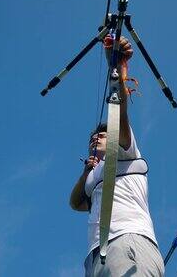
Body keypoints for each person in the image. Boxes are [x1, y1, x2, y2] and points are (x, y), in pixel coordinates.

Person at [69, 35, 164, 276]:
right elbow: (76, 202)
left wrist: (118, 69)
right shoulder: (94, 177)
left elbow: (118, 111)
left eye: (102, 135)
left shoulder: (123, 151)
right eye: (93, 138)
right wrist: (85, 174)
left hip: (127, 241)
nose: (95, 138)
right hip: (96, 256)